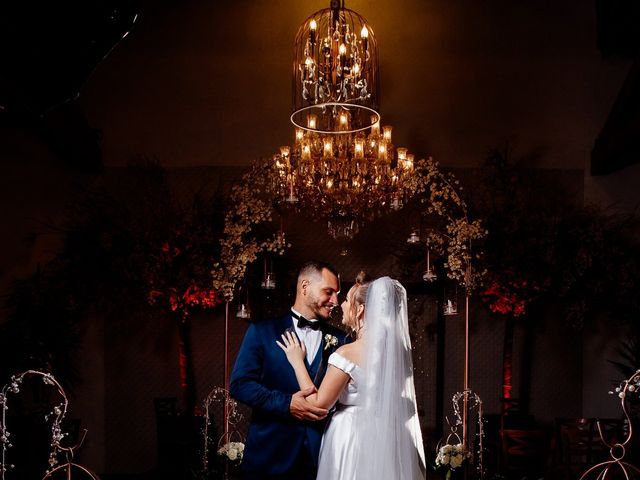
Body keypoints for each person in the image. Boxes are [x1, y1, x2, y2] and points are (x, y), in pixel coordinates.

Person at [277, 274, 426, 480]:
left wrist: (297, 362)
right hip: (386, 435)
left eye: (347, 300)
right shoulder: (396, 351)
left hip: (351, 435)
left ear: (361, 308)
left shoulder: (348, 353)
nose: (341, 305)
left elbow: (319, 404)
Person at [229, 260, 350, 480]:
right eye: (329, 292)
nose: (335, 300)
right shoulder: (261, 331)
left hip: (320, 458)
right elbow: (239, 385)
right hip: (269, 456)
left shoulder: (342, 341)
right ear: (305, 287)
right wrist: (286, 404)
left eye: (337, 294)